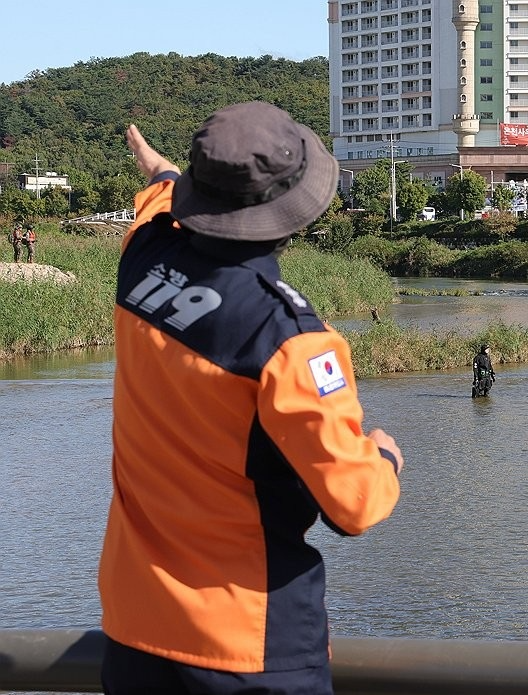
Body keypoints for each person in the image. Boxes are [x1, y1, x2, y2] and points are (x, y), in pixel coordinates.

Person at [100, 102, 404, 695]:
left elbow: (160, 196)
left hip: (135, 627)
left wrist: (162, 170)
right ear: (292, 214)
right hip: (247, 642)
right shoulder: (288, 339)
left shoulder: (142, 257)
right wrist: (384, 456)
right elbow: (355, 505)